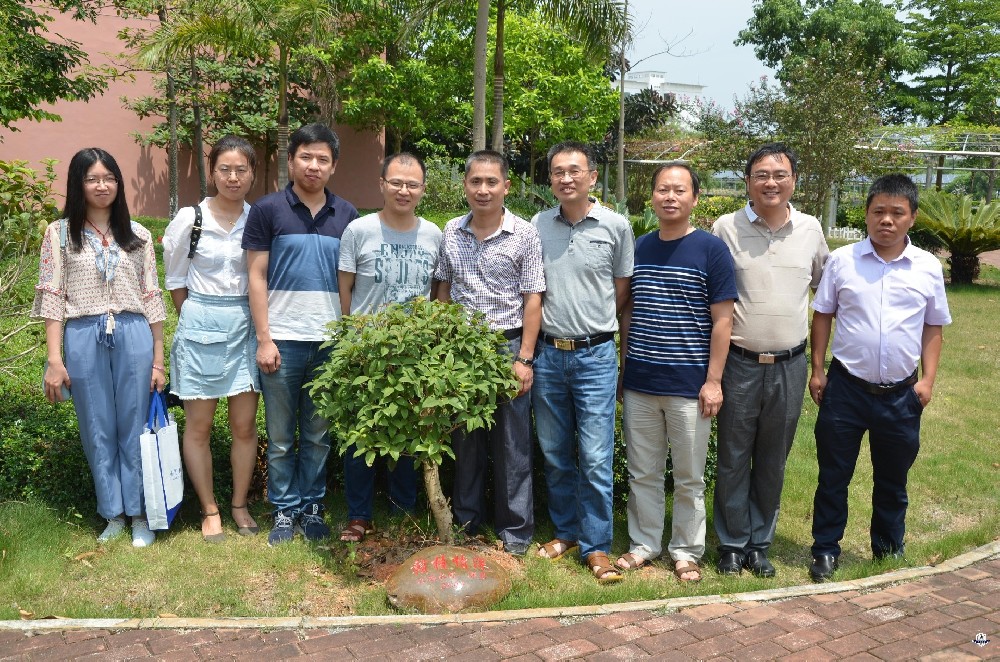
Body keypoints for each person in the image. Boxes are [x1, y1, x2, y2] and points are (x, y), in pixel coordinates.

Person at [807, 174, 951, 582]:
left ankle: (887, 548)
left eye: (896, 213)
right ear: (867, 215)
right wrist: (817, 371)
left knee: (893, 479)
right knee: (833, 476)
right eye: (878, 212)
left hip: (901, 395)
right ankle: (825, 549)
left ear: (912, 218)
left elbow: (934, 326)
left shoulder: (926, 267)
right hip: (846, 389)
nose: (886, 220)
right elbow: (822, 316)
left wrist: (928, 381)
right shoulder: (843, 260)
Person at [34, 148, 168, 547]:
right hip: (82, 334)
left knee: (134, 424)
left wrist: (159, 360)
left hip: (133, 334)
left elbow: (151, 298)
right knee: (97, 427)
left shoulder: (139, 235)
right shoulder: (58, 235)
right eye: (93, 178)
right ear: (78, 184)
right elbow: (53, 298)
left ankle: (140, 513)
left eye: (109, 177)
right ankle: (112, 512)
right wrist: (54, 359)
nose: (102, 185)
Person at [711, 142, 830, 578]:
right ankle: (730, 543)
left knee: (773, 457)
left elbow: (827, 292)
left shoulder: (811, 229)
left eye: (780, 174)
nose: (771, 182)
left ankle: (760, 543)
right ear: (747, 182)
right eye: (761, 174)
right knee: (733, 455)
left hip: (790, 364)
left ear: (793, 180)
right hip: (739, 361)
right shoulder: (726, 228)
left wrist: (819, 366)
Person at [616, 163, 736, 582]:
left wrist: (714, 381)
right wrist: (623, 367)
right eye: (662, 189)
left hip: (689, 385)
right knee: (642, 472)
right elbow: (628, 310)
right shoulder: (640, 248)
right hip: (641, 383)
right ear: (651, 197)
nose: (670, 196)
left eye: (679, 190)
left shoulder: (711, 250)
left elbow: (723, 320)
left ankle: (685, 550)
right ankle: (644, 544)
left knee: (688, 477)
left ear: (694, 199)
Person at [242, 123, 359, 546]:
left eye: (323, 159)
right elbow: (255, 276)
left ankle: (312, 506)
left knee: (317, 434)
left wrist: (348, 338)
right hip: (283, 341)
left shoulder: (347, 215)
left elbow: (352, 282)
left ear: (333, 166)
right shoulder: (267, 210)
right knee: (279, 436)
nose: (313, 165)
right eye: (306, 157)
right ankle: (284, 511)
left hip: (328, 342)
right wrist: (264, 338)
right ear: (291, 161)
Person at [530, 141, 634, 584]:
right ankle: (566, 532)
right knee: (555, 453)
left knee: (594, 456)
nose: (566, 178)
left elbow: (622, 292)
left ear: (592, 176)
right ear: (550, 179)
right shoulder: (536, 225)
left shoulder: (616, 226)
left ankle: (597, 546)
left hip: (595, 355)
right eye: (557, 172)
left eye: (574, 171)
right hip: (549, 354)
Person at [433, 150, 544, 557]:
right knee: (466, 441)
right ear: (465, 185)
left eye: (491, 182)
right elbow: (442, 291)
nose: (483, 189)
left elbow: (534, 298)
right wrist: (443, 347)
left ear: (506, 187)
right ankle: (466, 523)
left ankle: (515, 533)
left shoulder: (524, 234)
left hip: (508, 345)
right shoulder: (450, 231)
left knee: (512, 444)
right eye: (475, 181)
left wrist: (525, 358)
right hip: (461, 349)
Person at [336, 152, 442, 542]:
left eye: (412, 184)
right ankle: (358, 515)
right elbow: (344, 287)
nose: (404, 190)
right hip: (365, 351)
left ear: (423, 189)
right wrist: (349, 338)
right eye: (396, 182)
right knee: (361, 436)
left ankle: (403, 512)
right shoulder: (359, 230)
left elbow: (436, 292)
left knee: (409, 437)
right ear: (382, 184)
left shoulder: (433, 234)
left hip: (415, 353)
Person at [162, 135, 261, 542]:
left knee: (244, 424)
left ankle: (239, 504)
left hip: (246, 324)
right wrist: (195, 319)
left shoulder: (259, 218)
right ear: (212, 172)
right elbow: (175, 279)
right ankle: (209, 509)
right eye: (225, 169)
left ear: (252, 173)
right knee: (199, 426)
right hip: (200, 321)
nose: (233, 177)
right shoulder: (191, 219)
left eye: (241, 170)